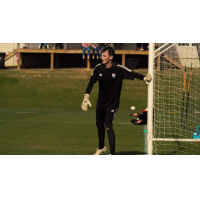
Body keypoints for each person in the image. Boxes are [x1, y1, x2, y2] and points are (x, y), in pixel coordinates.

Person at [81, 47, 152, 155]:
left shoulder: (118, 69)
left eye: (104, 56)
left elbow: (132, 73)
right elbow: (91, 82)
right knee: (99, 124)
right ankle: (101, 147)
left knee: (108, 126)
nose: (102, 57)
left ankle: (112, 154)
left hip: (112, 105)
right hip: (101, 103)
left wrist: (144, 78)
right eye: (101, 55)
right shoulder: (98, 68)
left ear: (111, 57)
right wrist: (86, 97)